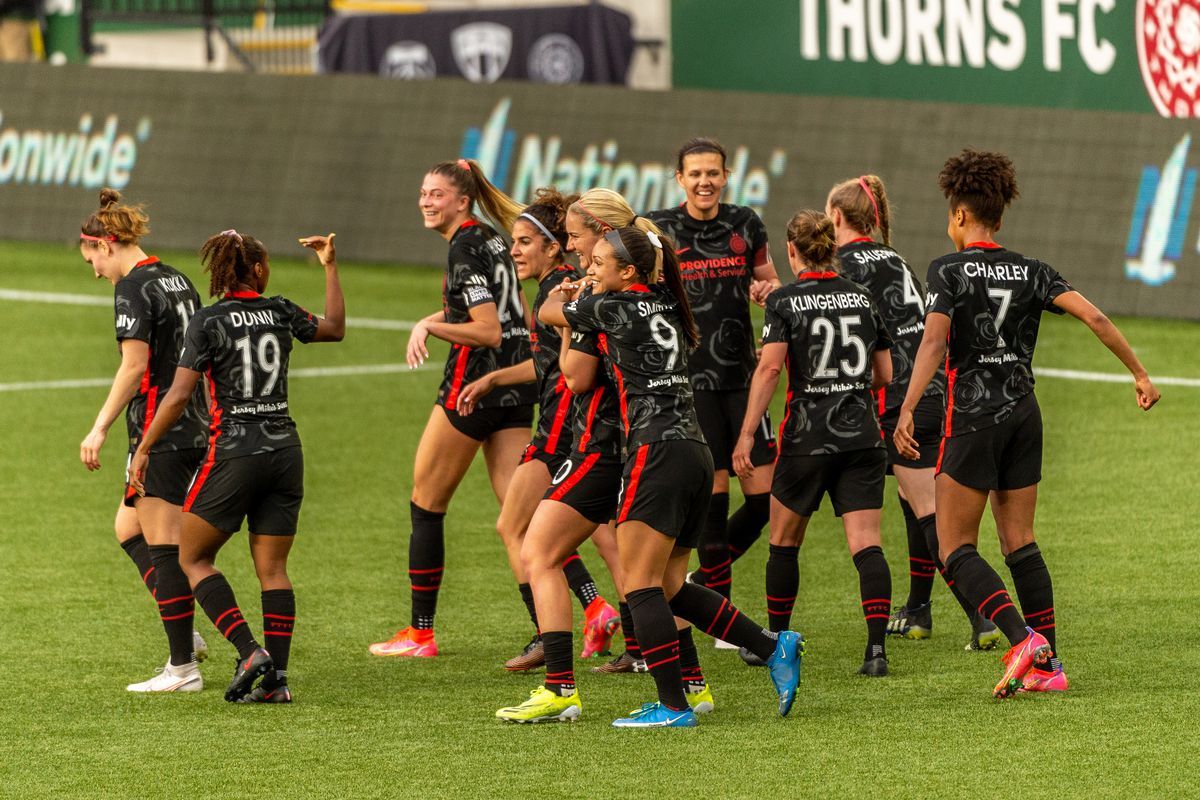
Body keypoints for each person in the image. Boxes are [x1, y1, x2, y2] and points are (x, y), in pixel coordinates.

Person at [895, 149, 1160, 697]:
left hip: (972, 417)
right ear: (1001, 213)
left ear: (961, 215)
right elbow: (1096, 316)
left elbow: (935, 339)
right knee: (1020, 541)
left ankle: (1022, 640)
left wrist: (906, 406)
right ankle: (1050, 667)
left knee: (954, 547)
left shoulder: (948, 269)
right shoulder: (1033, 270)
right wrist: (1139, 373)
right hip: (1024, 413)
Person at [540, 225, 803, 728]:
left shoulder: (613, 307)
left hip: (654, 452)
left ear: (630, 271)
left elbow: (550, 313)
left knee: (640, 586)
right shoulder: (669, 303)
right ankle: (771, 646)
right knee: (671, 585)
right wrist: (595, 286)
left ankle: (674, 706)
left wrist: (572, 295)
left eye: (599, 262)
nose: (590, 269)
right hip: (696, 450)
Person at [128, 230, 345, 703]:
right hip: (286, 451)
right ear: (260, 270)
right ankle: (276, 682)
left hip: (234, 454)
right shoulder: (281, 310)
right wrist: (330, 266)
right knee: (273, 570)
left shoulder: (207, 321)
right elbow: (334, 328)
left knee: (190, 558)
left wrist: (144, 447)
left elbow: (180, 393)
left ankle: (249, 651)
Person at [369, 159, 538, 659]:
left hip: (473, 387)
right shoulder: (489, 237)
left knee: (426, 503)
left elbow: (484, 328)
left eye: (436, 194)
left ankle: (421, 633)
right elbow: (517, 313)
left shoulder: (465, 245)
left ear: (461, 201)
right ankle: (591, 611)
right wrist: (435, 316)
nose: (426, 200)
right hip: (516, 383)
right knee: (521, 518)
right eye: (423, 192)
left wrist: (427, 328)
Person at [826, 175, 999, 651]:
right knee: (912, 500)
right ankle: (918, 609)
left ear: (836, 217)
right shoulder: (894, 258)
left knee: (928, 509)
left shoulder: (843, 264)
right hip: (932, 389)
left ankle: (984, 618)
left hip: (899, 398)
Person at [454, 187, 620, 670]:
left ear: (553, 246)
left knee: (518, 526)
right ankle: (628, 631)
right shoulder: (564, 283)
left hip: (562, 432)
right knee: (602, 536)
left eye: (525, 242)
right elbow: (546, 363)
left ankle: (552, 636)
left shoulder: (564, 289)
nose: (514, 251)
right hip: (568, 429)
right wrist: (493, 378)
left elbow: (572, 368)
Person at [734, 210, 896, 676]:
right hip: (862, 437)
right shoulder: (863, 296)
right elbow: (884, 374)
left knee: (784, 542)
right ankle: (875, 652)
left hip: (808, 439)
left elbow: (768, 369)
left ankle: (774, 643)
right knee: (867, 545)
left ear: (791, 251)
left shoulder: (784, 301)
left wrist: (747, 433)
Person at [78, 188, 211, 692]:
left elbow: (134, 367)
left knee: (163, 544)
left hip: (160, 429)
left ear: (107, 245)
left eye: (93, 258)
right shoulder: (176, 278)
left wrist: (100, 426)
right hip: (194, 420)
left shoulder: (132, 288)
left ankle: (182, 668)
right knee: (127, 528)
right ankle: (186, 629)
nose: (94, 270)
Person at [647, 138, 781, 615]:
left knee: (766, 500)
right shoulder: (659, 229)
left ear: (726, 176)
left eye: (713, 173)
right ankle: (718, 609)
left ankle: (699, 586)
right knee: (714, 501)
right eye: (695, 174)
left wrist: (767, 292)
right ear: (679, 179)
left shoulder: (746, 223)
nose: (705, 181)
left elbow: (771, 283)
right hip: (689, 381)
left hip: (743, 379)